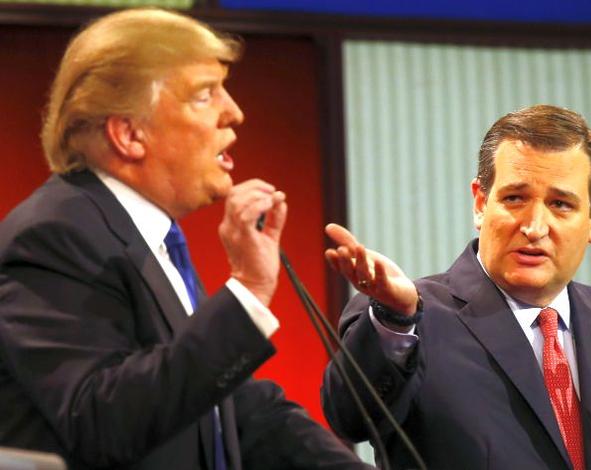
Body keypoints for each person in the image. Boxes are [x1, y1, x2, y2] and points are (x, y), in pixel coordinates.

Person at [0, 8, 373, 470]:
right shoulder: (55, 236)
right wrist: (249, 291)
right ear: (129, 133)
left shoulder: (146, 237)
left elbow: (229, 412)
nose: (234, 112)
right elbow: (101, 418)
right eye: (204, 95)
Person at [322, 104, 591, 470]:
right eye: (515, 198)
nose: (534, 226)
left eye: (560, 204)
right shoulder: (410, 320)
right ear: (480, 203)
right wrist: (394, 318)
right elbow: (350, 418)